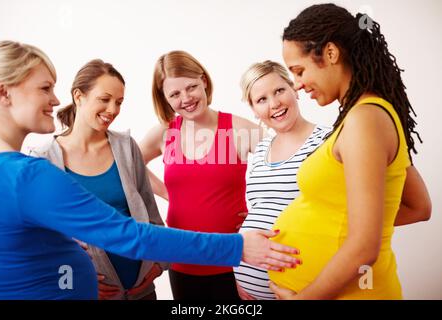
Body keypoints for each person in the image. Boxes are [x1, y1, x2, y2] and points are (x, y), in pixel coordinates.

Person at [0, 40, 298, 300]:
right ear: (3, 93)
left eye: (120, 102)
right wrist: (238, 246)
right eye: (45, 88)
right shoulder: (32, 171)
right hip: (187, 265)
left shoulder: (22, 173)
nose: (55, 100)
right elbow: (127, 235)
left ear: (204, 81)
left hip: (161, 281)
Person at [266, 4, 432, 299]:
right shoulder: (363, 117)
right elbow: (417, 206)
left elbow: (364, 248)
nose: (298, 84)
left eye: (299, 70)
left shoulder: (365, 120)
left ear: (330, 53)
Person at [27, 59, 166, 300]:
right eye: (105, 99)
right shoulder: (42, 158)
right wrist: (73, 280)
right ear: (78, 96)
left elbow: (152, 216)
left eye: (119, 102)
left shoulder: (126, 147)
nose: (113, 109)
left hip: (143, 291)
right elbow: (37, 242)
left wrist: (157, 265)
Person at [139, 50, 265, 300]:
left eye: (191, 87)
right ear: (165, 98)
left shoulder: (241, 130)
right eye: (174, 94)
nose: (185, 98)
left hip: (236, 261)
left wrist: (259, 217)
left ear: (204, 81)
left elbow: (284, 166)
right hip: (182, 259)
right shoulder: (165, 133)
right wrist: (168, 193)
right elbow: (131, 163)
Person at [234, 60, 331, 300]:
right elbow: (260, 208)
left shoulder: (328, 141)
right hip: (247, 292)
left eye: (279, 91)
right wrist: (243, 276)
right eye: (262, 99)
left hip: (302, 289)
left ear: (294, 89)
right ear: (254, 110)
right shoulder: (262, 149)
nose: (274, 104)